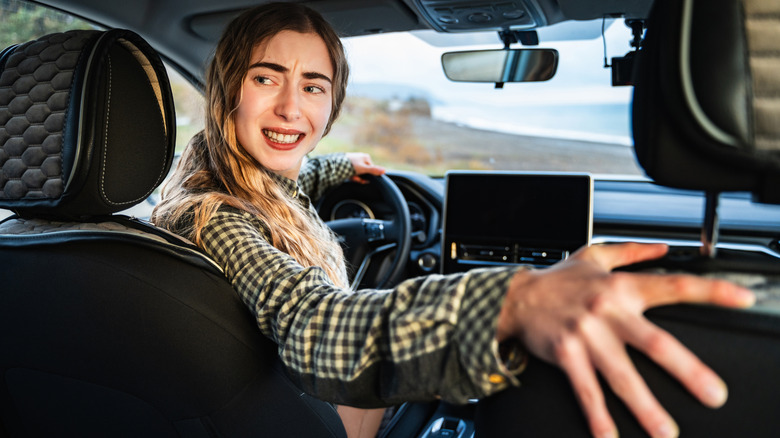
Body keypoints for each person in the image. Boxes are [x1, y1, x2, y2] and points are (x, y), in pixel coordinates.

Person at [151, 3, 755, 438]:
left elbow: (290, 181)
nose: (291, 107)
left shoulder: (221, 178)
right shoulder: (216, 220)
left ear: (332, 103)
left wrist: (341, 167)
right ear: (228, 85)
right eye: (266, 78)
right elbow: (312, 322)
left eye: (313, 86)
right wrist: (510, 303)